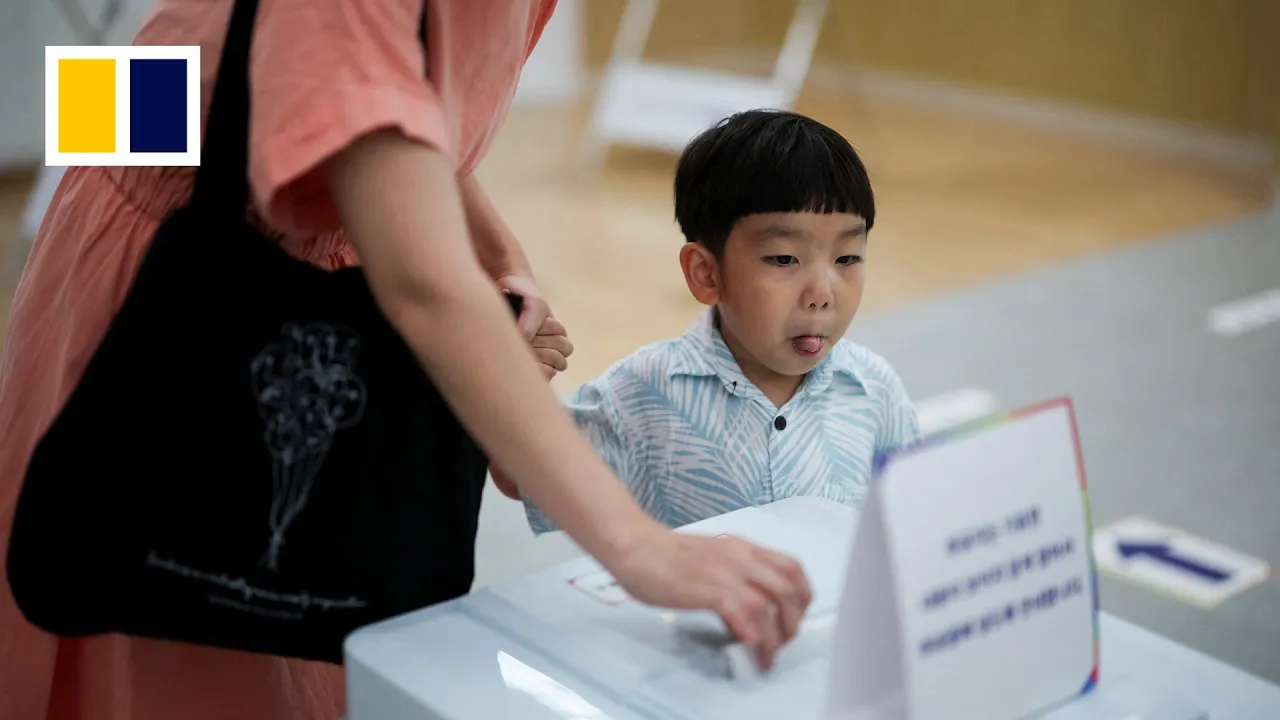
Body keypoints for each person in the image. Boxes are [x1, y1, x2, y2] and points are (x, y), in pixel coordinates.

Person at [0, 2, 812, 719]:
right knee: (178, 598)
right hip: (172, 237)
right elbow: (419, 279)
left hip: (193, 166)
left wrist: (487, 244)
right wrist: (639, 547)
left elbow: (357, 95)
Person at [493, 109, 921, 532]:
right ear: (706, 273)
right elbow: (527, 482)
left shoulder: (874, 389)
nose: (822, 294)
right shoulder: (644, 392)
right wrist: (518, 383)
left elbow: (912, 524)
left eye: (847, 258)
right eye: (784, 259)